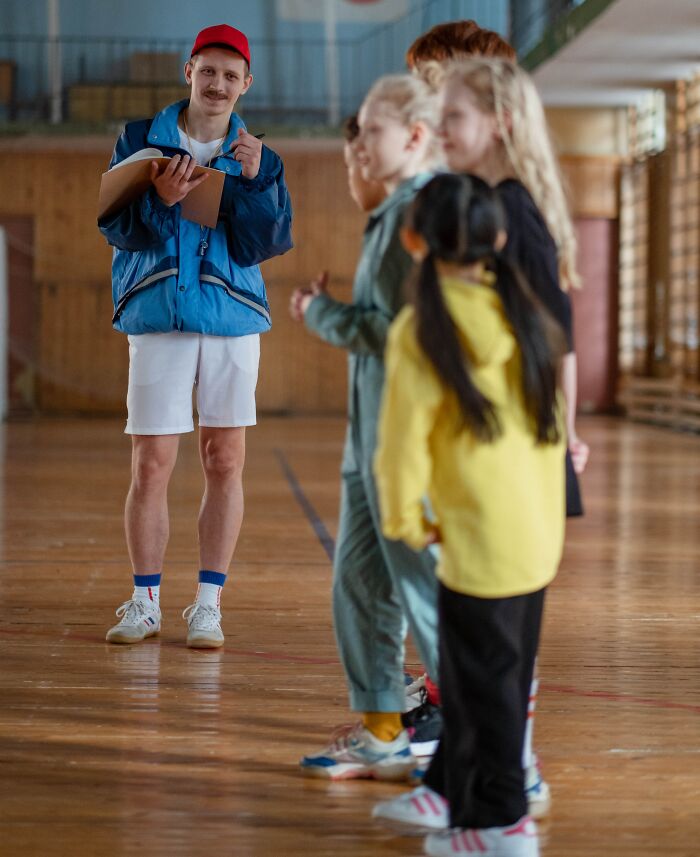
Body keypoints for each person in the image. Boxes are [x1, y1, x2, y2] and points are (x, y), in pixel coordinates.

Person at [374, 173, 566, 857]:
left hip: (479, 545)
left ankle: (504, 822)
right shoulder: (525, 312)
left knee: (482, 685)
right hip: (536, 536)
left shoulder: (418, 330)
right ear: (500, 239)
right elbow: (552, 426)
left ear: (412, 240)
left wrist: (402, 521)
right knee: (489, 674)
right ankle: (452, 785)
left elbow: (398, 454)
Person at [98, 24, 293, 649]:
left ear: (246, 85)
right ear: (189, 71)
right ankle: (144, 600)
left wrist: (257, 181)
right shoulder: (138, 139)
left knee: (224, 460)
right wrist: (159, 196)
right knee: (151, 464)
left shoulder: (259, 156)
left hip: (232, 319)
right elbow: (118, 230)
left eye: (230, 76)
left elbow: (264, 244)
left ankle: (209, 603)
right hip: (158, 317)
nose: (217, 84)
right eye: (207, 71)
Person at [289, 74, 442, 780]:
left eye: (372, 133)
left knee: (423, 589)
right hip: (366, 439)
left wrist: (320, 314)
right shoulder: (387, 219)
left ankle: (486, 747)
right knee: (358, 581)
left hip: (404, 444)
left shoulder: (420, 217)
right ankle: (383, 728)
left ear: (414, 137)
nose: (361, 145)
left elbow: (397, 335)